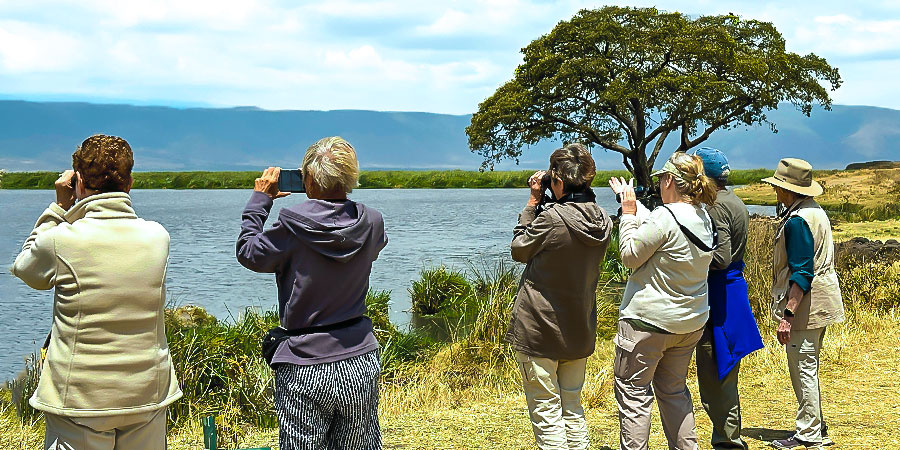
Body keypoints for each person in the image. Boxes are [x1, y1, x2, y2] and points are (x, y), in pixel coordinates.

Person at [10, 134, 182, 450]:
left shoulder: (61, 239)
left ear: (77, 182)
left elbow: (26, 270)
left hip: (79, 399)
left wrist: (59, 208)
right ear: (130, 182)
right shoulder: (158, 237)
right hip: (147, 393)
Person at [236, 136, 387, 450]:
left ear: (309, 179)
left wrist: (259, 201)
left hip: (304, 364)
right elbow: (371, 250)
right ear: (349, 177)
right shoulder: (372, 222)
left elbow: (249, 253)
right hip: (359, 359)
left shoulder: (292, 227)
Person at [609, 151, 719, 450]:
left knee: (634, 395)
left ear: (670, 180)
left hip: (648, 323)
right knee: (673, 392)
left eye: (661, 180)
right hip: (689, 323)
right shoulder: (704, 218)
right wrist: (634, 204)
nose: (658, 185)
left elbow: (630, 256)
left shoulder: (665, 217)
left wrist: (628, 213)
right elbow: (664, 230)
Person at [506, 143, 612, 450]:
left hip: (540, 328)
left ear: (559, 182)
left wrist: (532, 202)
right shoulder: (603, 219)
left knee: (546, 411)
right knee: (572, 408)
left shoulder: (552, 219)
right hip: (579, 327)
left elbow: (519, 249)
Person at [763, 158, 844, 450]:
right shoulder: (813, 211)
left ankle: (809, 433)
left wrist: (787, 315)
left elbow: (801, 272)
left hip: (807, 306)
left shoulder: (797, 220)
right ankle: (816, 425)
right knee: (809, 365)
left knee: (803, 368)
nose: (776, 192)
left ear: (787, 190)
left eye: (778, 187)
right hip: (822, 300)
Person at [692, 148, 764, 450]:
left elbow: (720, 257)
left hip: (719, 294)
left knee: (714, 375)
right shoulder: (734, 200)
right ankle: (728, 439)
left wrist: (688, 259)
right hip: (730, 291)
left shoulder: (715, 206)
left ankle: (727, 442)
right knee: (724, 373)